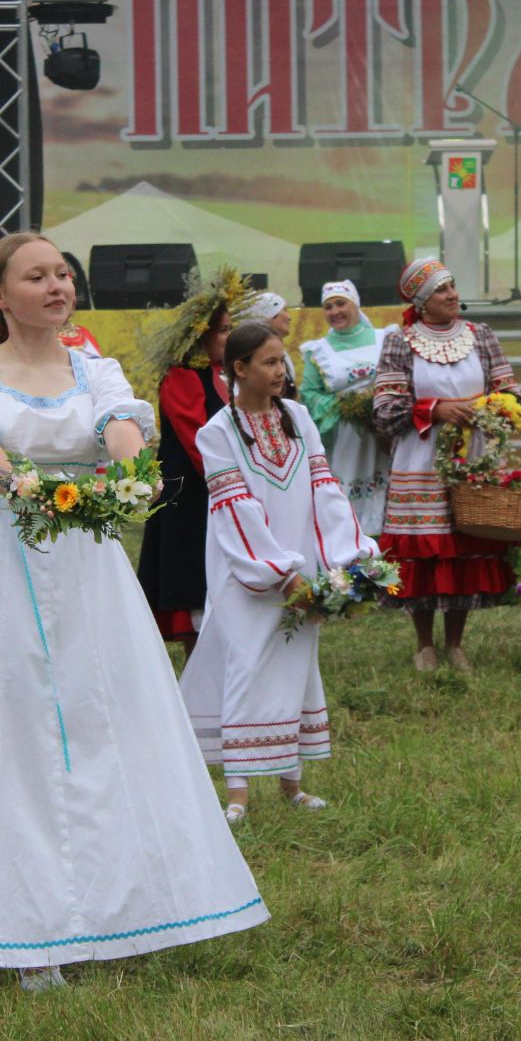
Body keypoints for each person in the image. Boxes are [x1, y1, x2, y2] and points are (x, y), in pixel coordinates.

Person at [0, 233, 267, 991]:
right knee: (15, 737)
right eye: (35, 276)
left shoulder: (96, 368)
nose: (56, 285)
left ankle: (118, 910)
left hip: (88, 567)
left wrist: (128, 467)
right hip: (2, 561)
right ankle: (27, 932)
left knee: (106, 724)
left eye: (61, 274)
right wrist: (19, 483)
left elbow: (120, 426)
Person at [180, 322, 378, 824]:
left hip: (300, 568)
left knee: (296, 663)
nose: (281, 370)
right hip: (245, 568)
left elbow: (324, 489)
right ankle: (238, 793)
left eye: (282, 360)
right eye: (269, 362)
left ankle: (292, 784)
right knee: (245, 661)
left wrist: (352, 555)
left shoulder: (299, 417)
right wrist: (279, 572)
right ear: (239, 369)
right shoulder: (217, 432)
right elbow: (235, 507)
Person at [372, 258, 519, 673]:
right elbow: (385, 409)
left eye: (453, 286)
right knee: (425, 553)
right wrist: (436, 410)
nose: (453, 295)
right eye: (442, 290)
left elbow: (510, 394)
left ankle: (455, 643)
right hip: (420, 460)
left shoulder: (482, 337)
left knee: (463, 546)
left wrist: (485, 410)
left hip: (472, 457)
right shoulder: (400, 342)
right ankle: (423, 644)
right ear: (421, 301)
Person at [135, 271, 250, 651]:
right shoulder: (183, 378)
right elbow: (197, 439)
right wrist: (234, 479)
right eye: (221, 331)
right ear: (197, 335)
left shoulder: (227, 376)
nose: (228, 338)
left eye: (231, 329)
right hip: (192, 494)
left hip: (224, 487)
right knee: (192, 572)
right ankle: (198, 653)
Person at [297, 280, 392, 532]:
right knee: (345, 505)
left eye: (341, 303)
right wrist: (342, 404)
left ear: (355, 304)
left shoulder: (386, 338)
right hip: (343, 439)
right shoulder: (318, 351)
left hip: (381, 436)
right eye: (328, 307)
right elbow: (308, 394)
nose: (334, 311)